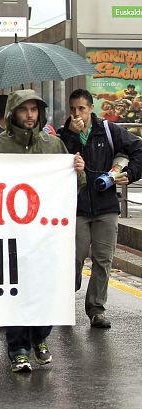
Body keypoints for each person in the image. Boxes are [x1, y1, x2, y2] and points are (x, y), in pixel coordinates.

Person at [0, 90, 85, 372]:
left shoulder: (54, 145)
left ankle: (40, 338)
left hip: (45, 234)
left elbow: (72, 187)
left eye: (34, 110)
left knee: (45, 288)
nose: (30, 115)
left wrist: (78, 171)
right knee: (15, 290)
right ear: (13, 112)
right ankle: (17, 348)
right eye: (24, 109)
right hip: (10, 233)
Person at [58, 89, 142, 329]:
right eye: (73, 109)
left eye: (81, 109)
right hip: (76, 208)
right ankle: (62, 302)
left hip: (106, 206)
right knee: (73, 258)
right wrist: (72, 136)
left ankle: (96, 309)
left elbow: (138, 148)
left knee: (103, 260)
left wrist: (131, 173)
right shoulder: (63, 135)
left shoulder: (107, 130)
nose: (77, 114)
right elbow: (55, 157)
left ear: (91, 108)